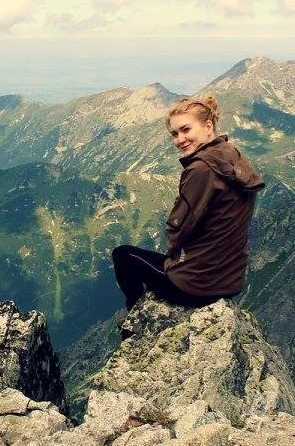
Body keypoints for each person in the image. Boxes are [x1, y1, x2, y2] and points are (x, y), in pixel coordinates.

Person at [111, 96, 264, 310]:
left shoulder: (201, 169)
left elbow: (180, 228)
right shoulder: (230, 155)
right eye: (174, 134)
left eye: (186, 130)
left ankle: (136, 315)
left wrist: (174, 260)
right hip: (230, 280)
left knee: (123, 255)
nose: (179, 139)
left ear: (208, 126)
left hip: (198, 286)